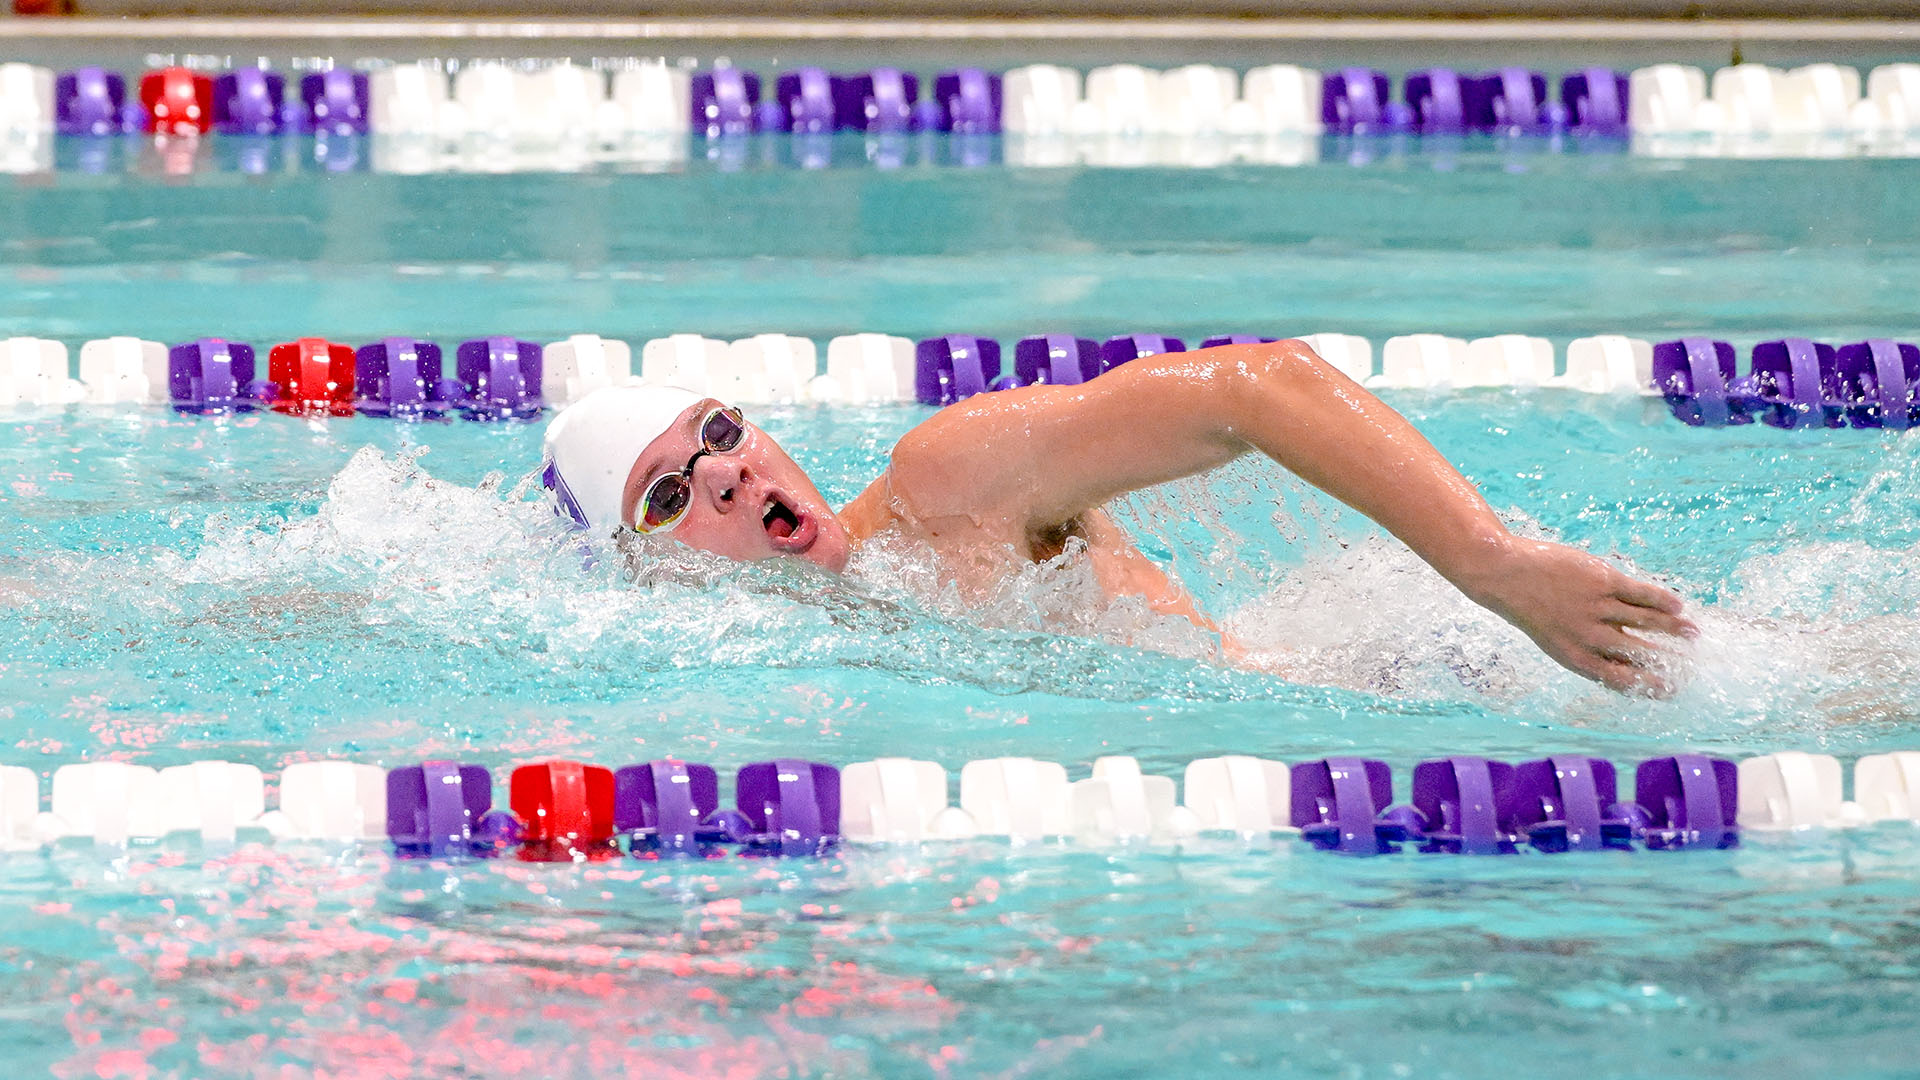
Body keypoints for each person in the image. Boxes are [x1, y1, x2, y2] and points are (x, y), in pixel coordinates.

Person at [542, 339, 1696, 693]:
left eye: (723, 436)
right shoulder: (774, 672)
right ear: (648, 576)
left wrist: (1494, 566)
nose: (725, 476)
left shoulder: (946, 488)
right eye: (668, 495)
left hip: (1449, 652)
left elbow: (1264, 385)